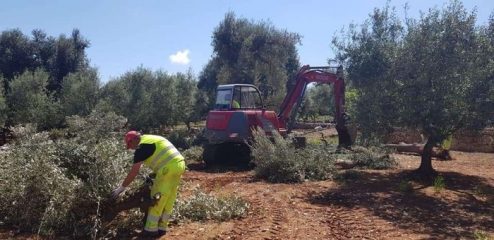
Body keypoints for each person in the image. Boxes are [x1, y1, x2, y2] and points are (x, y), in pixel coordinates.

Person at [112, 131, 186, 238]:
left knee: (157, 199)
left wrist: (121, 188)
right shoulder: (151, 138)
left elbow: (134, 172)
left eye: (130, 145)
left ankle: (150, 230)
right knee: (169, 197)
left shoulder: (141, 148)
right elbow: (161, 155)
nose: (131, 148)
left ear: (133, 141)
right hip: (180, 165)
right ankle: (162, 228)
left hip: (167, 169)